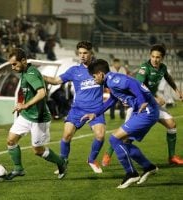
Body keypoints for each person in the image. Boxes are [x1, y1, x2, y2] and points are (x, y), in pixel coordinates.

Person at [82, 59, 159, 189]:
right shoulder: (111, 82)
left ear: (101, 74)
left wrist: (141, 101)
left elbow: (131, 83)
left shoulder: (113, 79)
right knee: (124, 143)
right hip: (143, 111)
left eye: (94, 76)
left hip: (146, 111)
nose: (94, 80)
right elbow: (112, 99)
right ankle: (148, 167)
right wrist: (95, 113)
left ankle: (131, 173)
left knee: (114, 139)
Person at [102, 44, 183, 166]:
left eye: (158, 57)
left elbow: (168, 77)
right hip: (140, 104)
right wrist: (155, 98)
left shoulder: (162, 68)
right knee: (125, 134)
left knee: (171, 124)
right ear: (150, 56)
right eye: (153, 56)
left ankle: (172, 157)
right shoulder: (144, 68)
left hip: (153, 106)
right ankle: (108, 153)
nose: (155, 59)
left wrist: (176, 90)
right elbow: (138, 86)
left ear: (162, 58)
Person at [43, 41, 106, 174]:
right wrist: (40, 76)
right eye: (80, 53)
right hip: (78, 109)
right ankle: (63, 162)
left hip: (96, 109)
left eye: (85, 53)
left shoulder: (100, 68)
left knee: (100, 136)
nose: (82, 56)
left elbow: (111, 82)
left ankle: (91, 159)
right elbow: (55, 80)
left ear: (91, 53)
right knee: (66, 135)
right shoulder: (74, 71)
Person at [5, 48, 67, 180]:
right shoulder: (25, 71)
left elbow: (41, 93)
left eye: (14, 64)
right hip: (26, 115)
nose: (12, 67)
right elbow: (29, 93)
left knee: (38, 151)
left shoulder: (31, 73)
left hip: (39, 119)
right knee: (11, 140)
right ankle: (18, 169)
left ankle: (61, 162)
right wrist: (23, 105)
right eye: (11, 64)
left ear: (23, 61)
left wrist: (25, 105)